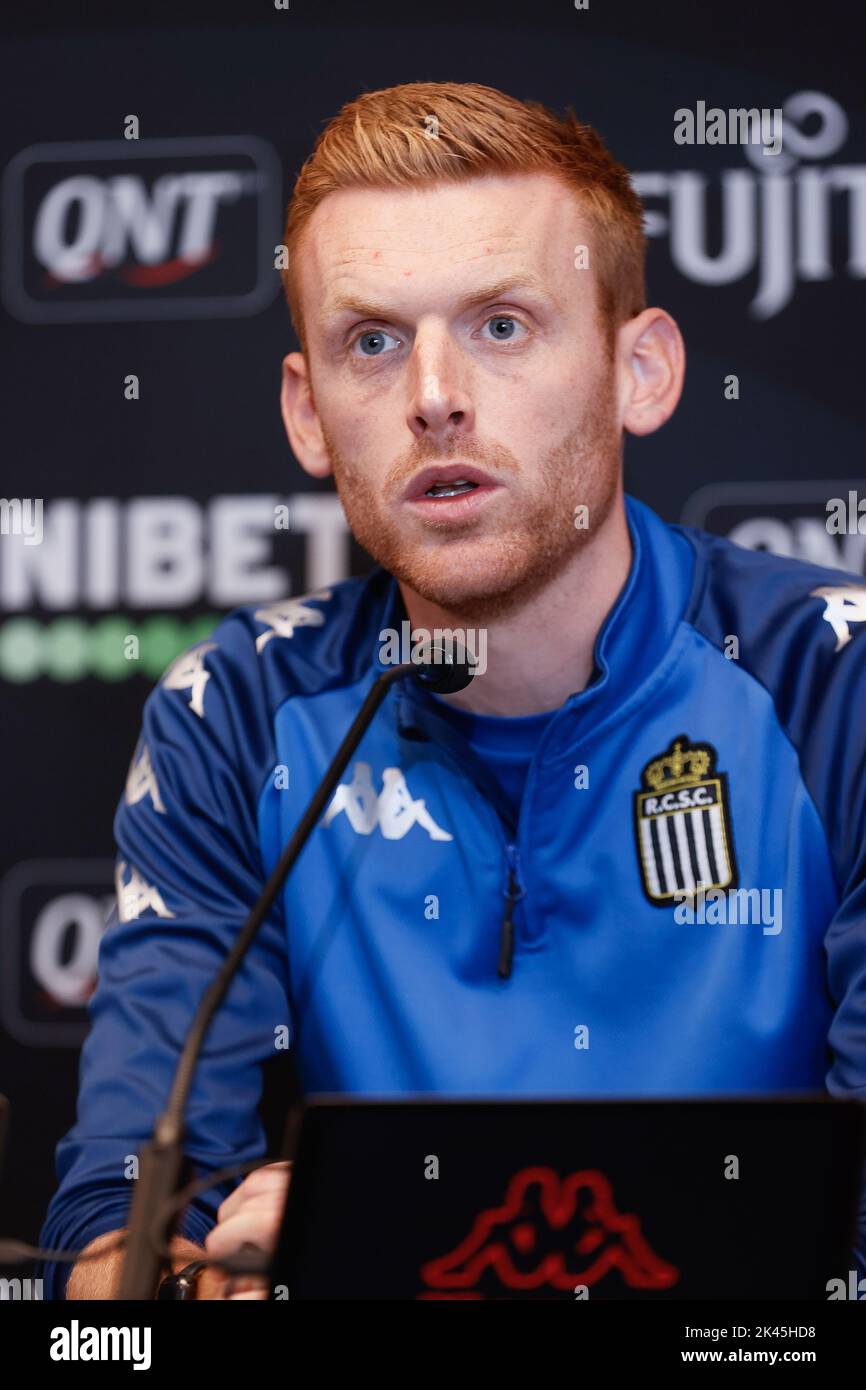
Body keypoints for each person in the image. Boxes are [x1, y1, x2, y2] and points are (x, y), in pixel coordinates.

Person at [40, 81, 866, 1300]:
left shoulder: (828, 682)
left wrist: (393, 1235)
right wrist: (170, 1282)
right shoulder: (241, 710)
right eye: (370, 341)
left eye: (500, 325)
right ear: (307, 414)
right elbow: (113, 1239)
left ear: (639, 371)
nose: (432, 394)